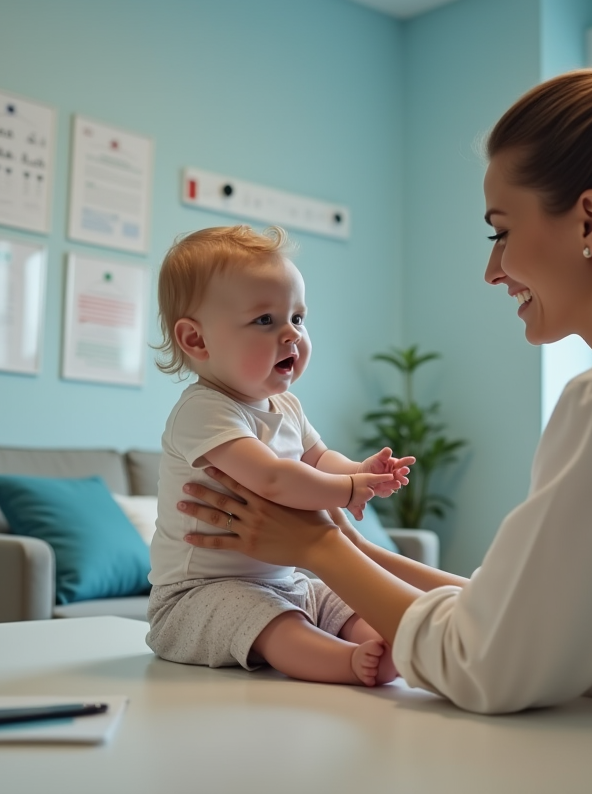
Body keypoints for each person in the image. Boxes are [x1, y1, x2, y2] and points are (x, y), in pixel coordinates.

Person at [179, 42, 592, 730]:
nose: (493, 271)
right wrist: (346, 548)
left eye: (501, 232)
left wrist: (313, 549)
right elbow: (513, 618)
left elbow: (486, 664)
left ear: (590, 221)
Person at [147, 224, 414, 687]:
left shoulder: (286, 406)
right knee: (271, 620)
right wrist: (348, 489)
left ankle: (381, 642)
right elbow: (272, 479)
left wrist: (359, 471)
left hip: (286, 580)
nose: (291, 334)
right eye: (265, 320)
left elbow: (318, 459)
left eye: (298, 318)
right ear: (196, 341)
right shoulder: (203, 410)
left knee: (335, 597)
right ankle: (345, 664)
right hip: (199, 595)